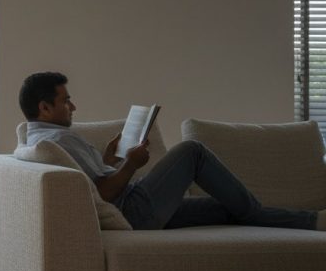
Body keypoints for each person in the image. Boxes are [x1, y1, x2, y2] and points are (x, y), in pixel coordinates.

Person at [18, 71, 326, 231]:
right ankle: (288, 217)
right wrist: (131, 164)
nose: (73, 106)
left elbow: (92, 182)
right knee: (193, 151)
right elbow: (104, 194)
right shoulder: (59, 140)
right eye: (65, 101)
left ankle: (310, 222)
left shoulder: (40, 139)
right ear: (44, 108)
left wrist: (110, 159)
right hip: (133, 210)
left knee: (226, 207)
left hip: (132, 202)